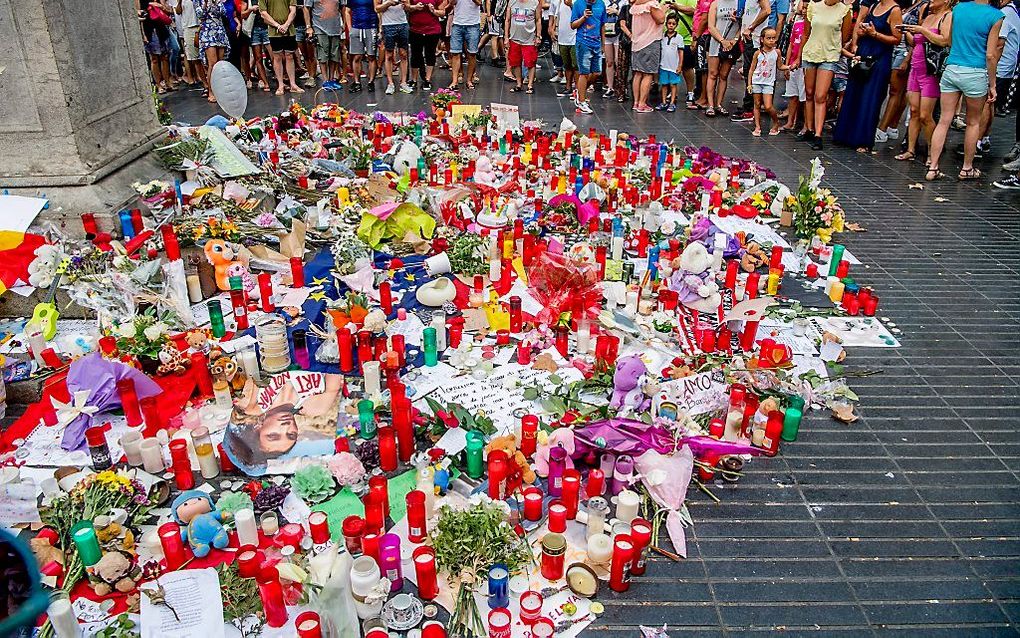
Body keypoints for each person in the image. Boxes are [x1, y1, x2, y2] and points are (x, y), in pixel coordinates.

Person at [925, 0, 1004, 180]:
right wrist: (992, 84)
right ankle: (966, 168)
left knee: (944, 120)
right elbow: (991, 55)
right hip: (976, 72)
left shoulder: (958, 9)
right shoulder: (996, 16)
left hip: (952, 68)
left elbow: (950, 41)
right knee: (973, 122)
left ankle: (933, 167)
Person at [833, 0, 902, 151]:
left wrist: (875, 34)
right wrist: (860, 34)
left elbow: (897, 39)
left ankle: (863, 140)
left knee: (870, 98)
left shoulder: (895, 10)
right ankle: (846, 134)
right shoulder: (874, 5)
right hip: (864, 54)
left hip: (879, 58)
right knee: (855, 93)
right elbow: (860, 24)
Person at [895, 0, 951, 161]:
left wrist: (921, 30)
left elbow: (944, 40)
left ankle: (931, 153)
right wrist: (907, 31)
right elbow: (916, 41)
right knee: (913, 111)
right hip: (915, 68)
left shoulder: (947, 16)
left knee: (926, 115)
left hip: (929, 71)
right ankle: (910, 150)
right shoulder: (928, 17)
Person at [794, 0, 852, 150]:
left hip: (830, 55)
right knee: (809, 93)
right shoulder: (813, 6)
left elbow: (844, 37)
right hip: (811, 53)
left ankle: (818, 135)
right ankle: (809, 128)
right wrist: (798, 56)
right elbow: (806, 34)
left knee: (821, 95)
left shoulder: (844, 11)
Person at [876, 0, 927, 143]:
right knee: (900, 91)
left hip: (904, 51)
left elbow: (918, 34)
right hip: (897, 49)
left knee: (895, 91)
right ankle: (892, 126)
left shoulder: (924, 5)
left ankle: (882, 129)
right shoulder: (913, 4)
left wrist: (907, 59)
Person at [731, 0, 770, 122]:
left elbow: (767, 10)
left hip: (755, 39)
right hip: (749, 39)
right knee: (748, 72)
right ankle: (748, 105)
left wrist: (751, 27)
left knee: (752, 74)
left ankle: (750, 109)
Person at [259, 0, 305, 94]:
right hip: (273, 31)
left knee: (289, 55)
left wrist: (286, 25)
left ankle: (293, 84)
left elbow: (293, 10)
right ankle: (280, 85)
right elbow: (263, 13)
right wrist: (278, 26)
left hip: (289, 29)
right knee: (277, 56)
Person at [572, 0, 608, 113]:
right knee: (584, 73)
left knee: (597, 72)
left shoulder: (601, 4)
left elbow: (602, 25)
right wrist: (584, 17)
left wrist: (603, 44)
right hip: (583, 42)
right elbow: (573, 25)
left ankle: (579, 91)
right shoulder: (578, 4)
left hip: (596, 43)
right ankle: (581, 101)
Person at [630, 0, 667, 110]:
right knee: (648, 74)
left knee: (637, 73)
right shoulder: (652, 4)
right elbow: (660, 19)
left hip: (637, 43)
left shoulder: (636, 4)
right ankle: (642, 104)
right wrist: (664, 9)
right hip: (650, 41)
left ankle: (636, 102)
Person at [705, 0, 739, 115]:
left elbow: (743, 24)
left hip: (731, 44)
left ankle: (719, 104)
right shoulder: (715, 4)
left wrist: (734, 41)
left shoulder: (739, 3)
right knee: (713, 73)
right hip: (716, 43)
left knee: (724, 75)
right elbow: (711, 26)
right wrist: (722, 41)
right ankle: (710, 105)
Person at [748, 26, 783, 133]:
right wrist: (749, 83)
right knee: (757, 104)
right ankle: (757, 126)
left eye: (773, 38)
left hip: (768, 83)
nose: (772, 40)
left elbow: (780, 66)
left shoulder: (777, 52)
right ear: (762, 39)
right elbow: (751, 69)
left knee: (768, 106)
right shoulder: (757, 53)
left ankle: (776, 122)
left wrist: (790, 67)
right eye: (769, 38)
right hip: (757, 81)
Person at [138, 0, 178, 93]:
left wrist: (161, 7)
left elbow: (169, 11)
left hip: (161, 29)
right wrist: (143, 34)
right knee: (154, 58)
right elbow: (138, 14)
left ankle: (167, 82)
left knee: (165, 57)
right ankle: (158, 84)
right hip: (149, 30)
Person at [305, 0, 346, 90]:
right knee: (323, 54)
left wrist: (344, 23)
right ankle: (325, 80)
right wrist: (309, 26)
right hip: (319, 27)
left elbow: (343, 7)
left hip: (335, 27)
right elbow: (306, 8)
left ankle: (331, 79)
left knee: (334, 55)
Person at [196, 0, 232, 101]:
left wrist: (216, 3)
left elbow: (223, 12)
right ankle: (211, 91)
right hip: (207, 32)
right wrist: (206, 4)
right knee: (212, 63)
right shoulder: (199, 1)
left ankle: (220, 90)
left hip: (219, 31)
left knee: (220, 64)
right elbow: (200, 15)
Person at [506, 0, 543, 91]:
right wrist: (506, 37)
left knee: (531, 62)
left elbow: (538, 20)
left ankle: (530, 85)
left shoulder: (535, 3)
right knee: (515, 62)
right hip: (514, 37)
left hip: (530, 38)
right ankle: (519, 84)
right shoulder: (512, 2)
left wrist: (538, 36)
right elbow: (507, 20)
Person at [377, 0, 413, 93]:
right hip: (388, 25)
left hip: (402, 24)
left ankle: (403, 83)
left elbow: (409, 8)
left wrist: (405, 3)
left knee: (403, 54)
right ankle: (390, 83)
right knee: (389, 54)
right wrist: (389, 3)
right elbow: (377, 8)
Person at [409, 0, 446, 89]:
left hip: (432, 29)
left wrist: (433, 11)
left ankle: (427, 79)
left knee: (430, 54)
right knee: (415, 54)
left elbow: (442, 12)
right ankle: (414, 79)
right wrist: (415, 7)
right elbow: (406, 7)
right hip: (415, 29)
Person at [781, 0, 807, 131]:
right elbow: (791, 44)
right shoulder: (796, 23)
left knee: (804, 97)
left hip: (803, 65)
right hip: (792, 64)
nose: (804, 9)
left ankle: (805, 125)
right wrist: (786, 65)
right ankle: (790, 122)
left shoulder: (811, 26)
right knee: (792, 95)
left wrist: (799, 59)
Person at [174, 0, 208, 89]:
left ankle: (211, 81)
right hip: (189, 28)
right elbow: (178, 11)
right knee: (195, 58)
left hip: (204, 25)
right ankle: (205, 85)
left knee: (208, 56)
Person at [346, 0, 380, 92]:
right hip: (356, 27)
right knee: (357, 56)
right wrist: (350, 29)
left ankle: (371, 82)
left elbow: (378, 10)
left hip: (371, 26)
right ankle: (357, 82)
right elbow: (347, 11)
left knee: (371, 56)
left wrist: (379, 28)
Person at [450, 0, 484, 88]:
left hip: (473, 24)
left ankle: (469, 80)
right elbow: (451, 3)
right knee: (455, 53)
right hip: (457, 23)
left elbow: (479, 2)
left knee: (472, 54)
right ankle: (454, 81)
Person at [671, 0, 699, 104]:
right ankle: (673, 91)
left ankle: (690, 92)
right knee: (671, 66)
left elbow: (694, 10)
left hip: (685, 39)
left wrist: (677, 7)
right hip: (669, 39)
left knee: (687, 67)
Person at [658, 14, 684, 110]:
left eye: (673, 24)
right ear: (666, 24)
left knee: (673, 85)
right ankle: (664, 102)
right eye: (669, 23)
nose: (671, 25)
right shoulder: (662, 37)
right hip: (663, 65)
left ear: (676, 25)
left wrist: (680, 65)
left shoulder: (679, 38)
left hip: (674, 66)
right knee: (664, 84)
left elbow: (681, 52)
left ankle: (672, 102)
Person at [555, 0, 579, 98]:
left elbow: (580, 14)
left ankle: (578, 89)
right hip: (562, 37)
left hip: (574, 37)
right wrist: (554, 28)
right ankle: (568, 86)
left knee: (576, 65)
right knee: (567, 64)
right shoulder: (560, 2)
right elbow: (558, 16)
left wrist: (571, 5)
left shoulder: (577, 2)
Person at [603, 0, 627, 97]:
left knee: (619, 62)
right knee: (609, 62)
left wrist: (616, 12)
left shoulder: (624, 2)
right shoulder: (604, 2)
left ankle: (622, 87)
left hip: (619, 34)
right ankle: (610, 87)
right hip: (607, 33)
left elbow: (626, 16)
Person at [248, 4, 274, 90]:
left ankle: (280, 81)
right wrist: (251, 9)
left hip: (268, 27)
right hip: (254, 29)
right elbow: (243, 14)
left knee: (274, 56)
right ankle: (265, 82)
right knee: (258, 58)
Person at [615, 0, 634, 100]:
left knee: (636, 69)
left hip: (638, 42)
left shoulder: (641, 9)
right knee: (622, 68)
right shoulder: (625, 8)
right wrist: (631, 35)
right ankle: (621, 92)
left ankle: (636, 94)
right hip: (625, 41)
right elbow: (622, 25)